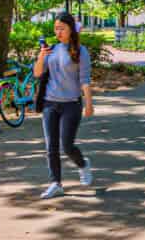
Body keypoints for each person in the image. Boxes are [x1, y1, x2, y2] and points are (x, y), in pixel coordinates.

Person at [33, 12, 93, 200]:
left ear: (70, 29)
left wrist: (89, 103)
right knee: (51, 146)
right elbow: (37, 73)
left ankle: (82, 164)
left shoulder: (80, 51)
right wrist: (41, 56)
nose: (58, 32)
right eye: (55, 28)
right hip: (50, 103)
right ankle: (55, 183)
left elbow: (85, 80)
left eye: (61, 28)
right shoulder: (51, 50)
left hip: (71, 104)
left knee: (67, 146)